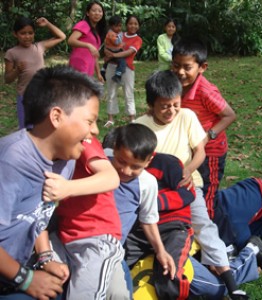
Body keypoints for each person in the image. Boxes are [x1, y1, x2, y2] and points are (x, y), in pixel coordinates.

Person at [136, 70, 260, 300]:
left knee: (203, 225)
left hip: (188, 185)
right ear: (151, 104)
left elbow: (200, 150)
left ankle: (231, 283)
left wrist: (189, 169)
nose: (171, 111)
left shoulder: (187, 117)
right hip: (155, 192)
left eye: (175, 104)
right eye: (164, 106)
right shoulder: (139, 126)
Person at [0, 65, 102, 299]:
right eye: (90, 121)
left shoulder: (64, 159)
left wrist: (45, 256)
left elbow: (36, 215)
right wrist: (24, 279)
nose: (95, 130)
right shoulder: (10, 162)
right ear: (56, 116)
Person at [171, 38, 237, 246]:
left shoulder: (205, 90)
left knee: (207, 195)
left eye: (187, 67)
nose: (181, 72)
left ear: (202, 67)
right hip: (191, 151)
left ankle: (219, 242)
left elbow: (229, 115)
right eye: (176, 66)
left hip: (212, 153)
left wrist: (207, 136)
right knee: (193, 189)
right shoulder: (177, 85)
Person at [43, 135, 124, 300]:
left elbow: (111, 177)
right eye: (90, 122)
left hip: (95, 239)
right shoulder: (37, 150)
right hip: (63, 236)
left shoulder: (84, 141)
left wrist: (68, 188)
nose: (95, 129)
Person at [102, 124, 178, 299]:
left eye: (135, 166)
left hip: (111, 250)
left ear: (148, 161)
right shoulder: (99, 162)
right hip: (77, 238)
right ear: (114, 150)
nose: (126, 170)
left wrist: (160, 250)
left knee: (119, 294)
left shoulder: (147, 183)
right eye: (121, 161)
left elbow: (148, 219)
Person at [4, 16, 66, 129]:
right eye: (23, 33)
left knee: (42, 127)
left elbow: (62, 37)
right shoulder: (11, 53)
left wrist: (47, 23)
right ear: (15, 34)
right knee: (26, 129)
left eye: (30, 33)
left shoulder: (39, 47)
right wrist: (17, 71)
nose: (27, 37)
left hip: (42, 95)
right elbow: (7, 79)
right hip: (25, 97)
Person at [104, 15, 142, 127]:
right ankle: (110, 118)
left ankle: (132, 118)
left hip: (128, 69)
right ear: (126, 24)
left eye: (135, 24)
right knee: (111, 92)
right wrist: (107, 53)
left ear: (138, 26)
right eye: (130, 23)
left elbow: (129, 52)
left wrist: (113, 54)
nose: (133, 26)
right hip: (111, 66)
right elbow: (107, 44)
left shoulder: (138, 39)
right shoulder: (117, 34)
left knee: (128, 93)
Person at [68, 0, 107, 82]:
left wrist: (99, 74)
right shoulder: (83, 24)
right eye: (94, 10)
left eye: (100, 11)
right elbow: (71, 40)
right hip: (79, 63)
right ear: (88, 13)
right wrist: (88, 45)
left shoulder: (95, 32)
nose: (97, 13)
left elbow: (94, 54)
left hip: (89, 66)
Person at [102, 15, 126, 84]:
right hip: (114, 51)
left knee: (107, 60)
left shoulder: (111, 33)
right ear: (111, 26)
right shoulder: (111, 34)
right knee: (122, 62)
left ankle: (103, 70)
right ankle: (117, 75)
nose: (119, 28)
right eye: (117, 26)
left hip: (111, 50)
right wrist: (121, 35)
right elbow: (117, 42)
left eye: (120, 26)